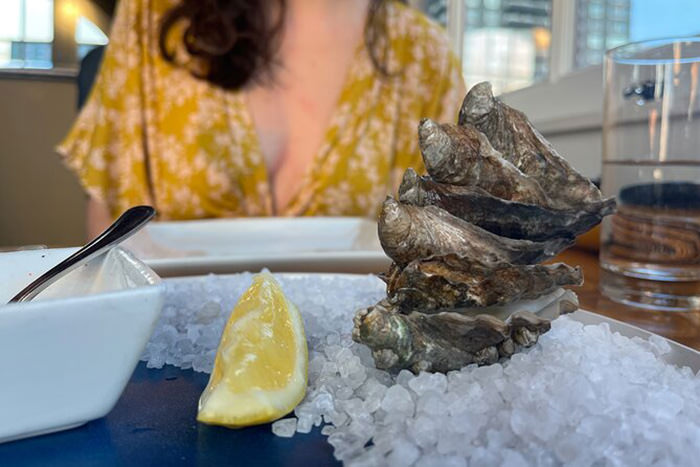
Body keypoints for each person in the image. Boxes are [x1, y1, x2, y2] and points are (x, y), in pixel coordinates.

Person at [58, 0, 465, 238]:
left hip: (355, 371)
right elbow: (109, 223)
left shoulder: (424, 56)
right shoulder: (153, 13)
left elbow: (450, 244)